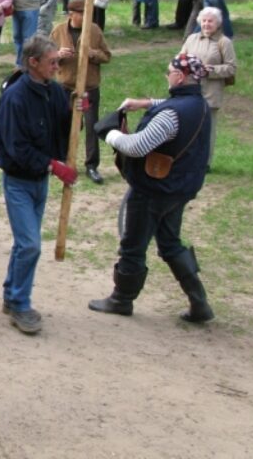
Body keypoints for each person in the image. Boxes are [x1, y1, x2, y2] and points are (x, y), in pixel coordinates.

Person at [90, 54, 214, 323]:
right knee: (170, 244)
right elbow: (177, 107)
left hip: (153, 190)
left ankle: (121, 300)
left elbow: (137, 146)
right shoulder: (200, 105)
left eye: (169, 71)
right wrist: (145, 103)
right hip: (179, 189)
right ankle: (199, 301)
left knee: (133, 245)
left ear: (180, 77)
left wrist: (108, 133)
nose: (167, 75)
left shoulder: (171, 115)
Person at [0, 36, 75, 335]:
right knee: (30, 244)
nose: (57, 67)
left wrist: (79, 112)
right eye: (52, 62)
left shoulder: (54, 92)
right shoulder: (15, 98)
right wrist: (52, 165)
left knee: (23, 244)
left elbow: (63, 128)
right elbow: (16, 148)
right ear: (34, 63)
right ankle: (19, 302)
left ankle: (11, 294)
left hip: (40, 182)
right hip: (18, 182)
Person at [51, 0, 111, 185]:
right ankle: (64, 160)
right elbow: (48, 57)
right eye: (82, 13)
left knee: (92, 125)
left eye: (87, 13)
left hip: (89, 86)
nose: (86, 17)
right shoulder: (59, 31)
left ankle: (91, 165)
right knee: (64, 123)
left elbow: (107, 56)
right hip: (65, 86)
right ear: (71, 14)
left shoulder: (94, 30)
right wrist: (59, 55)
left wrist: (92, 53)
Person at [180, 7, 236, 168]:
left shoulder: (224, 42)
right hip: (190, 90)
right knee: (189, 127)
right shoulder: (192, 39)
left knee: (207, 130)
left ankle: (205, 163)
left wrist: (211, 71)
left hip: (210, 92)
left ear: (218, 23)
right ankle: (188, 159)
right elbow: (181, 58)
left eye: (210, 21)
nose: (206, 24)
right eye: (204, 21)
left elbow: (231, 68)